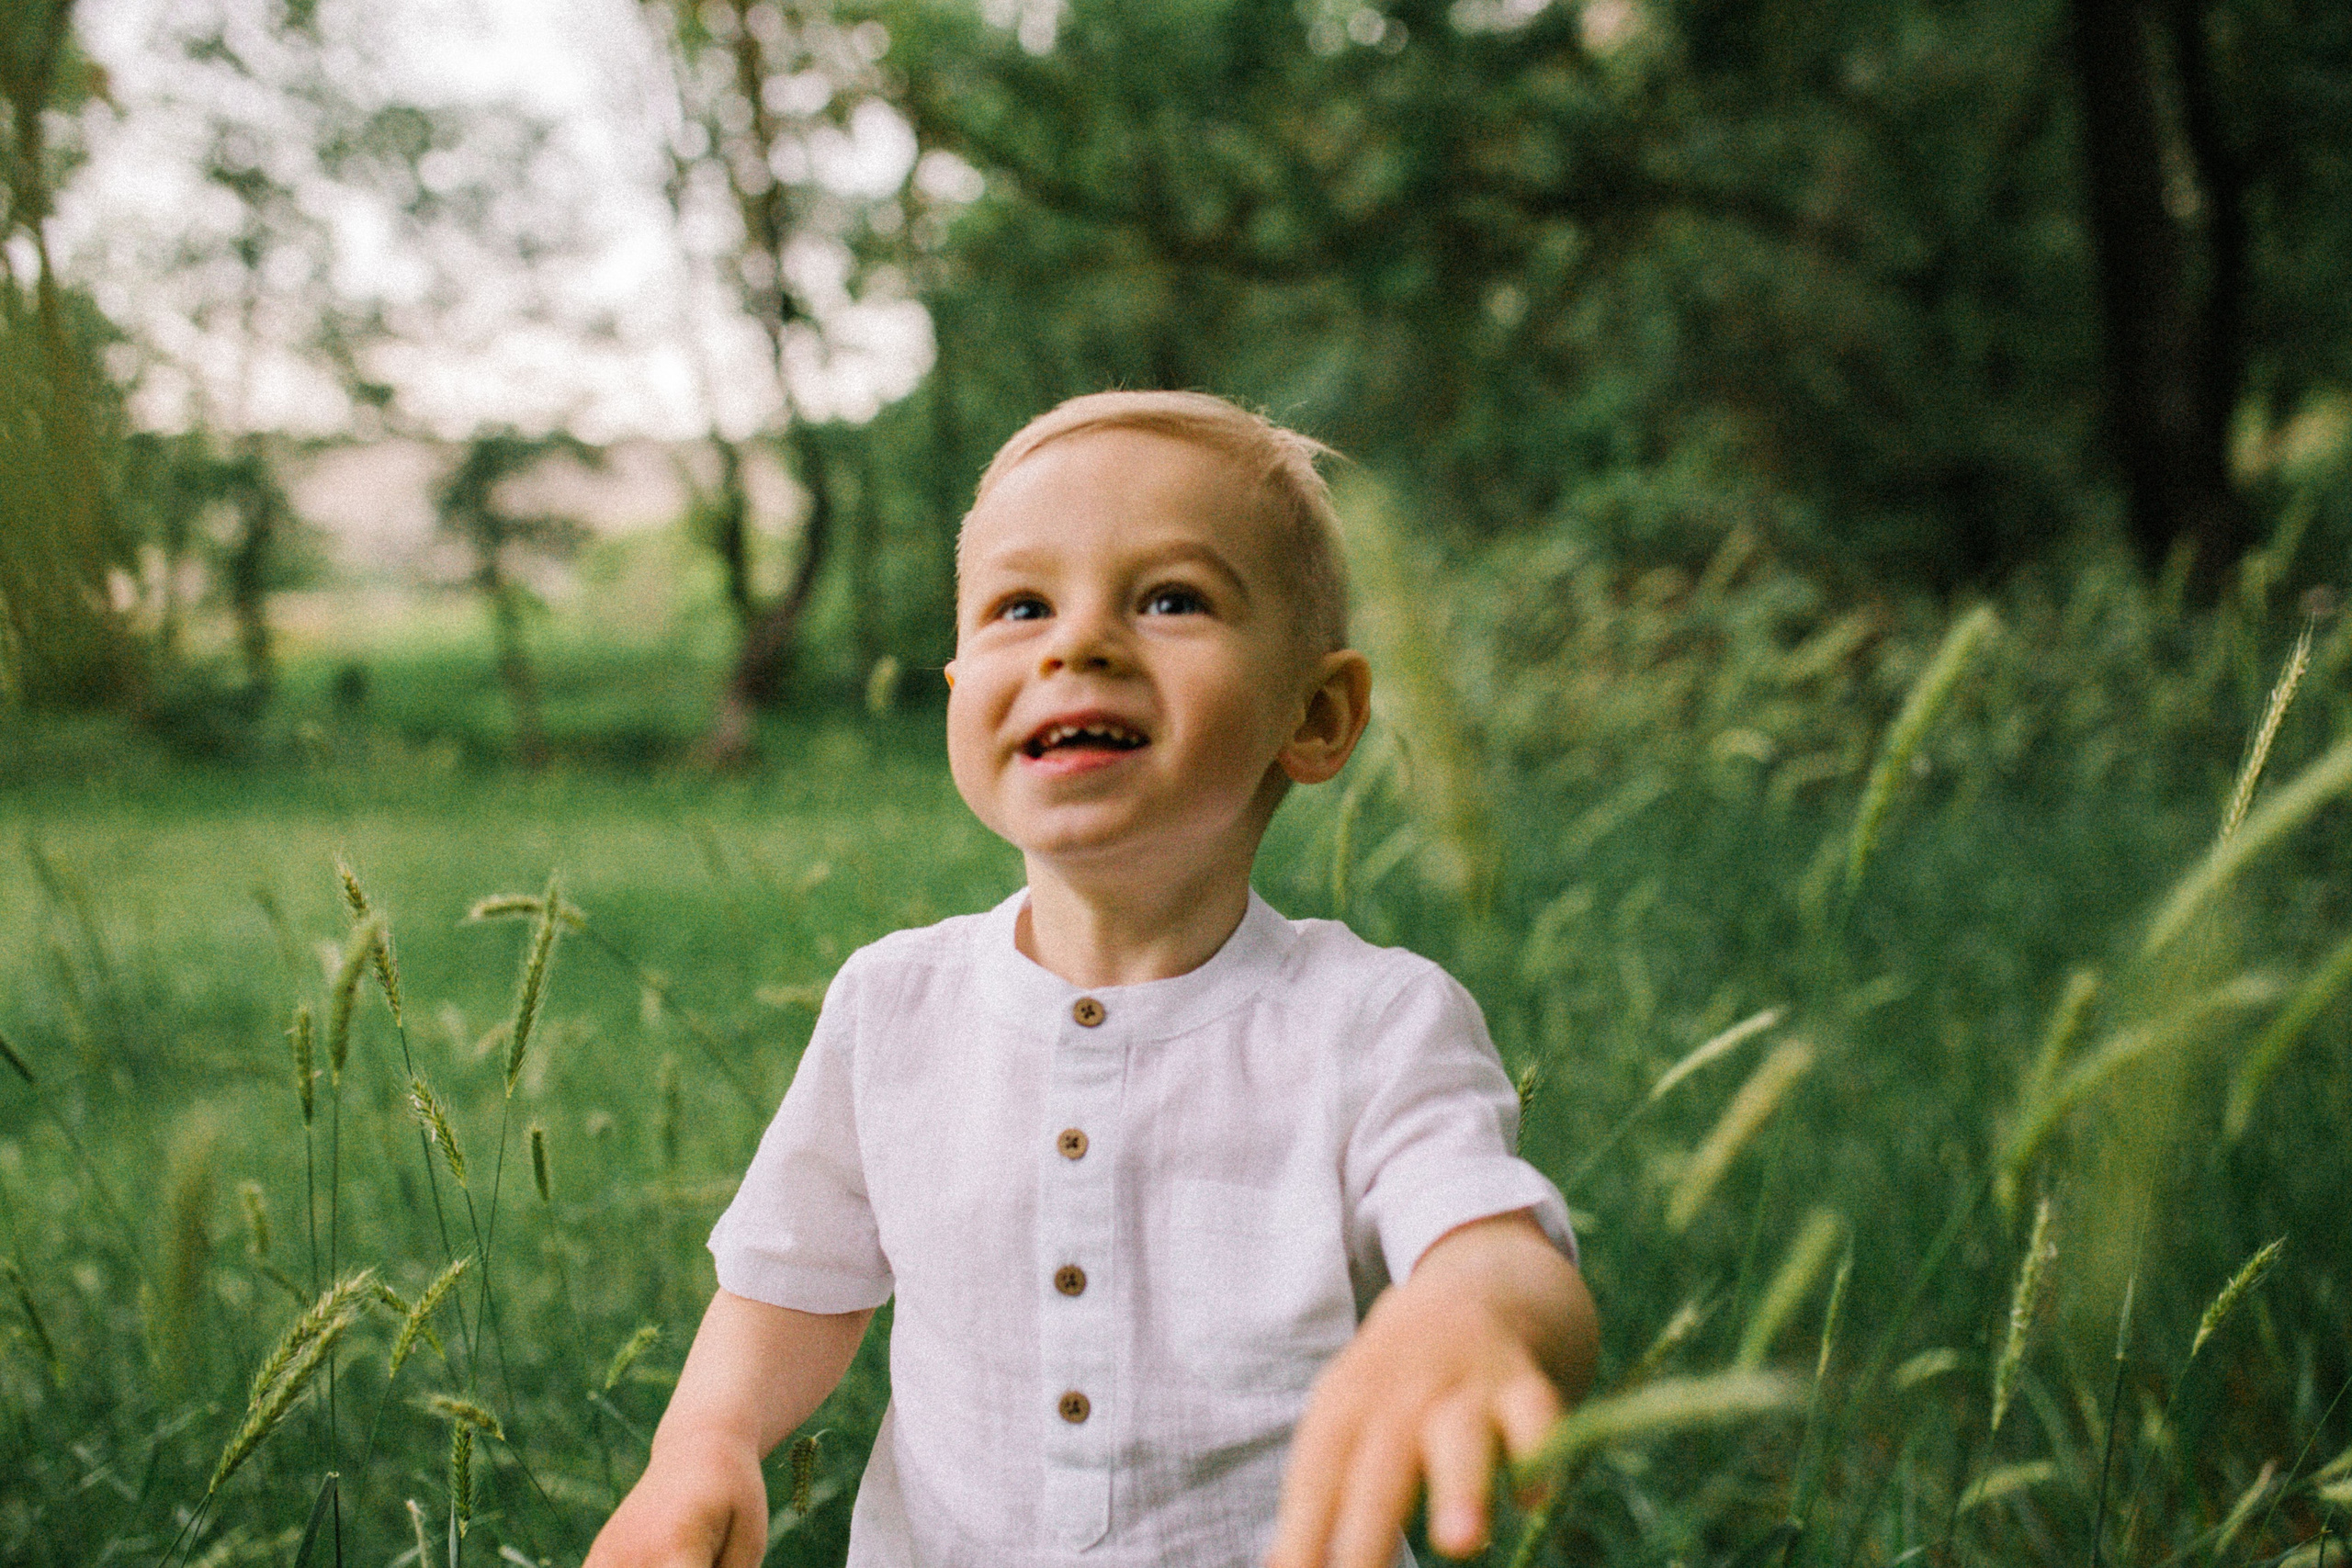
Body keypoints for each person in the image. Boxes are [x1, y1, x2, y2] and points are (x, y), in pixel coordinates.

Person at [583, 391, 1599, 1568]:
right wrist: (704, 1442)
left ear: (1316, 715)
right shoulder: (893, 1005)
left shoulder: (1369, 1023)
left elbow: (1496, 1241)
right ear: (960, 693)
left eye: (1170, 599)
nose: (1079, 642)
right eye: (1021, 605)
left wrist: (1469, 1311)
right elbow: (791, 1278)